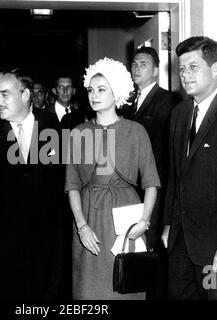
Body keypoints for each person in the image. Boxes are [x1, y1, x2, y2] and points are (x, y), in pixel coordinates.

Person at [163, 36, 217, 300]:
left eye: (193, 67)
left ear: (215, 69)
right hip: (180, 248)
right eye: (181, 69)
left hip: (216, 252)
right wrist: (167, 226)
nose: (185, 75)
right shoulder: (179, 114)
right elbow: (175, 177)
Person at [65, 57, 160, 300]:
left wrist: (144, 222)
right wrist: (82, 226)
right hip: (90, 217)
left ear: (116, 92)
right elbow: (72, 185)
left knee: (126, 288)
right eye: (90, 90)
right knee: (90, 291)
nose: (94, 95)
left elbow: (151, 184)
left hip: (127, 220)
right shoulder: (79, 133)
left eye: (101, 89)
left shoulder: (136, 131)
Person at [0, 68, 67, 299]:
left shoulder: (54, 127)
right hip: (3, 251)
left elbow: (63, 181)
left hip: (47, 246)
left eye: (5, 94)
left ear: (25, 95)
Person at [123, 46, 180, 298]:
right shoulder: (127, 102)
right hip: (130, 189)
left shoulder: (167, 100)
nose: (136, 68)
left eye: (143, 64)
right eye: (134, 64)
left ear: (156, 70)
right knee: (131, 247)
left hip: (154, 188)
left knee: (154, 248)